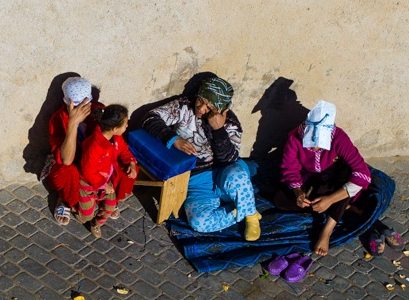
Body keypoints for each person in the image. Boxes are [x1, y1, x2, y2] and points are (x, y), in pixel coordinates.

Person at [142, 75, 261, 239]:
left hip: (223, 174)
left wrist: (219, 130)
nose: (202, 108)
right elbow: (150, 118)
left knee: (238, 176)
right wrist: (173, 138)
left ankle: (251, 217)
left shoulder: (231, 123)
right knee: (199, 222)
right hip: (197, 182)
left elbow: (230, 160)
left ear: (220, 110)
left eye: (209, 107)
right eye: (201, 101)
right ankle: (241, 209)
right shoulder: (184, 107)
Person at [273, 100, 372, 256]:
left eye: (319, 144)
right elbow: (289, 167)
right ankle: (341, 208)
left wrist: (331, 199)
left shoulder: (339, 138)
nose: (314, 148)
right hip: (311, 179)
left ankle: (327, 230)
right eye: (310, 143)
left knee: (349, 178)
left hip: (334, 180)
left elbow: (363, 173)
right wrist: (298, 192)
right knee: (280, 199)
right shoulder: (294, 137)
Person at [42, 76, 133, 224]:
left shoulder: (98, 110)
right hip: (73, 163)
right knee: (67, 172)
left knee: (121, 165)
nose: (82, 111)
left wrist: (129, 160)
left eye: (85, 106)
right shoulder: (58, 119)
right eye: (77, 107)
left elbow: (113, 140)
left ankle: (103, 196)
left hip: (95, 161)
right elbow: (67, 160)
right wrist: (72, 123)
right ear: (68, 104)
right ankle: (65, 200)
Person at [77, 104, 138, 238]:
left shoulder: (116, 138)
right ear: (115, 128)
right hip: (89, 183)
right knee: (85, 216)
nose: (127, 126)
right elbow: (88, 171)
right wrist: (104, 185)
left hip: (105, 181)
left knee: (110, 206)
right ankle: (74, 207)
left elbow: (124, 150)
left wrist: (131, 163)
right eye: (125, 124)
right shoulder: (95, 146)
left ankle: (96, 223)